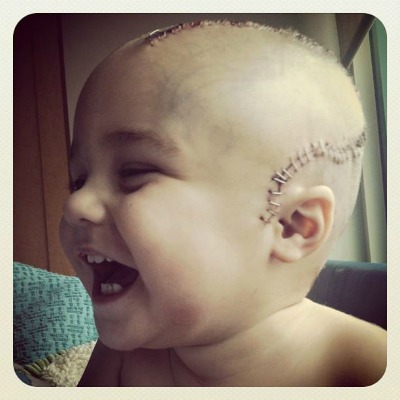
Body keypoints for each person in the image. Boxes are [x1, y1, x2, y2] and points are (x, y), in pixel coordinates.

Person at [59, 20, 386, 386]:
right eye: (78, 180)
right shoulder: (122, 356)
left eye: (134, 172)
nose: (76, 204)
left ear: (291, 225)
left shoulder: (368, 368)